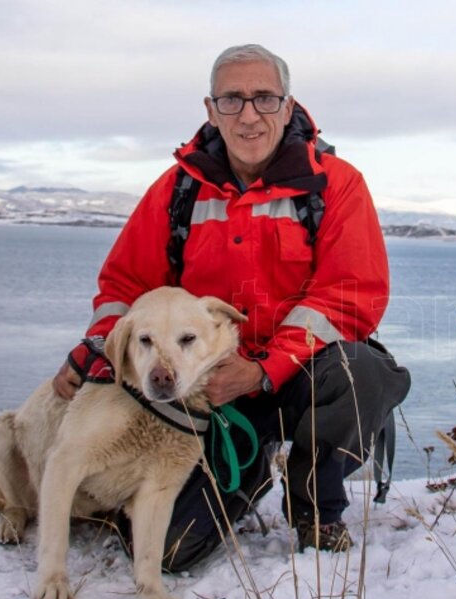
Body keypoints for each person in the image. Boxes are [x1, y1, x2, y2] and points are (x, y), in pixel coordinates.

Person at [53, 44, 410, 566]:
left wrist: (263, 370)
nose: (248, 115)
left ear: (288, 108)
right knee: (171, 549)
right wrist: (99, 347)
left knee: (361, 371)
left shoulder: (336, 185)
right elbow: (124, 287)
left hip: (298, 374)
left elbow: (349, 296)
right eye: (232, 100)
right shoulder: (178, 189)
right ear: (210, 109)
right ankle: (243, 470)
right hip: (205, 396)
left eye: (264, 98)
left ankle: (315, 511)